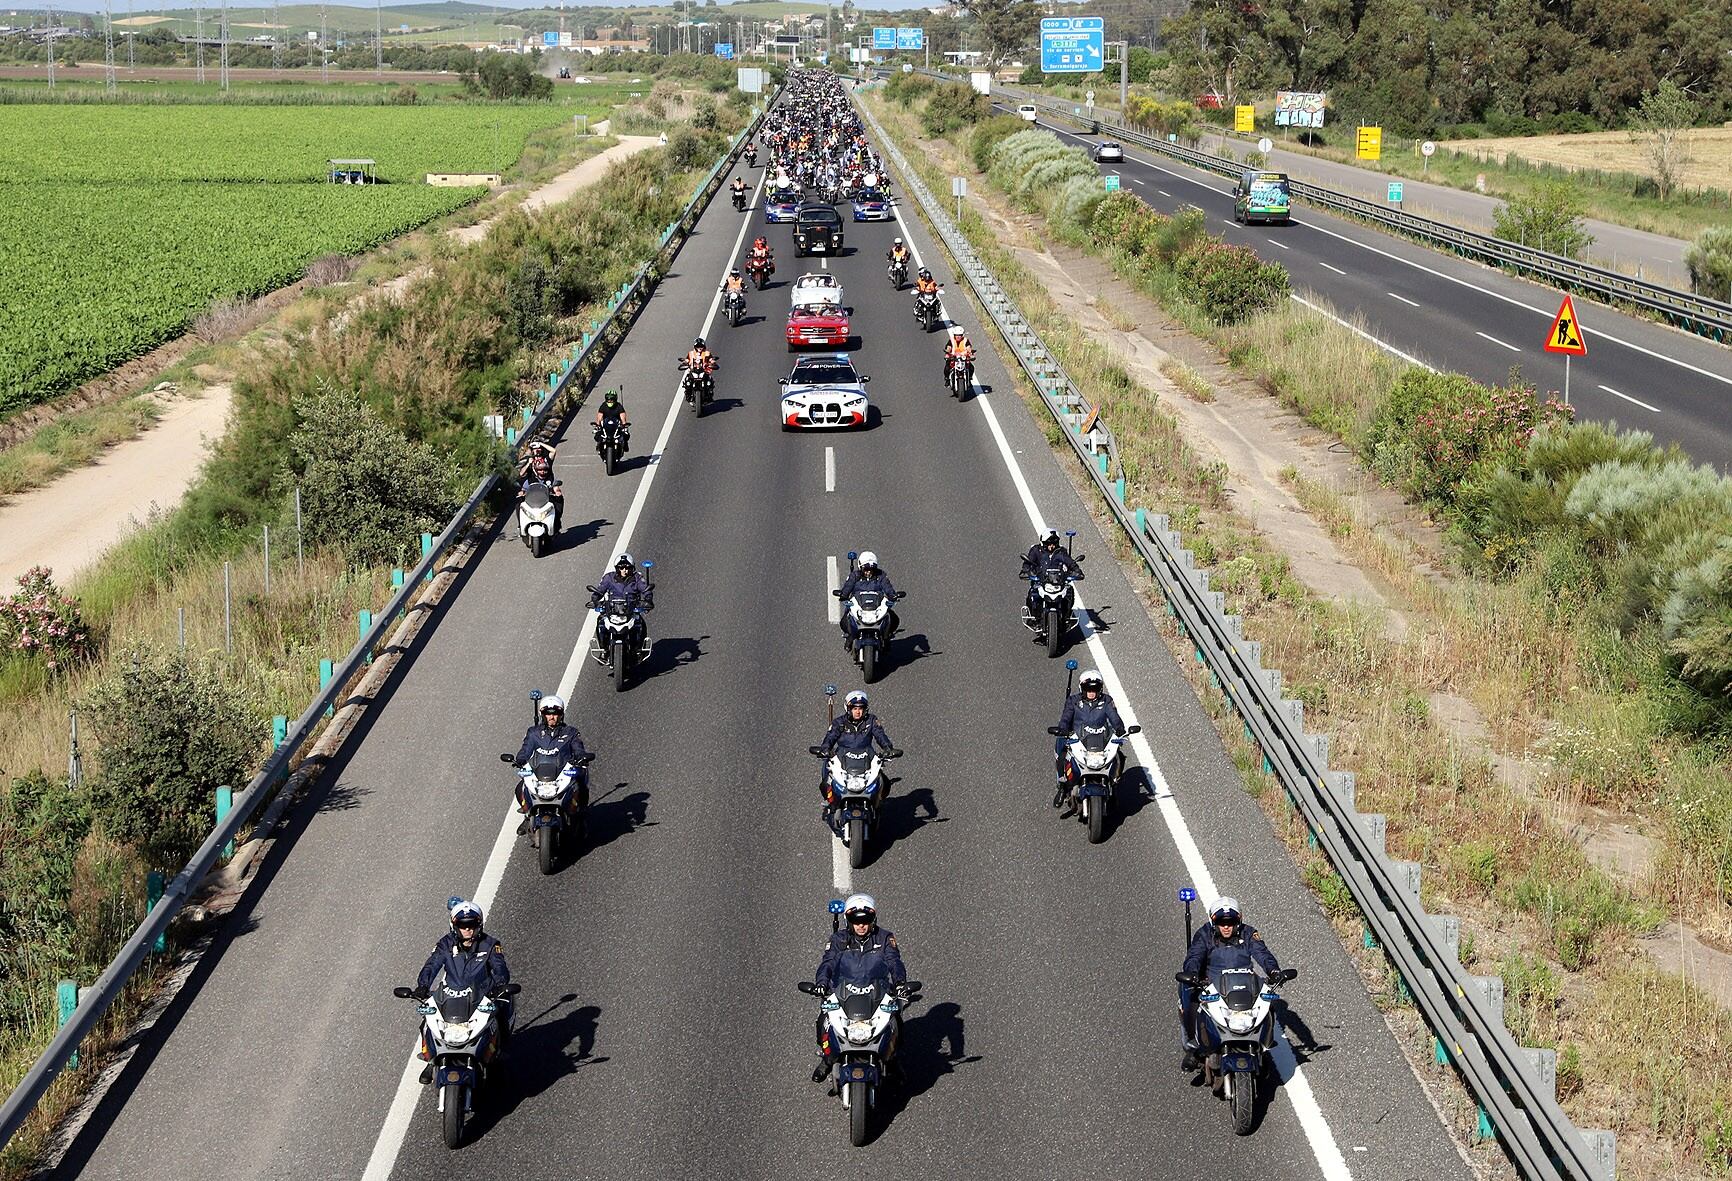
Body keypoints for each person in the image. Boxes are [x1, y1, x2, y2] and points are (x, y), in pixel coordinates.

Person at [810, 893, 909, 1083]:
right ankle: (827, 1057)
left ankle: (892, 1057)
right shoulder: (838, 939)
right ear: (849, 921)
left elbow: (894, 962)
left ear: (873, 919)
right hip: (844, 990)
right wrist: (821, 984)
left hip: (876, 990)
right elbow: (828, 963)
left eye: (866, 920)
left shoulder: (885, 937)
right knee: (824, 1018)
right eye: (856, 921)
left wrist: (900, 984)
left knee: (896, 1017)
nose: (861, 925)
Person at [1178, 898, 1283, 1072]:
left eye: (1231, 922)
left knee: (1269, 1002)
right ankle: (1193, 1048)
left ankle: (1264, 1043)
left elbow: (1263, 954)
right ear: (1214, 923)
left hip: (1245, 987)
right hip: (1213, 986)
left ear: (1238, 921)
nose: (1226, 927)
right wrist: (1193, 973)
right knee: (1190, 997)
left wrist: (1274, 971)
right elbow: (1194, 956)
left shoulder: (1249, 933)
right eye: (1221, 923)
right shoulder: (1204, 934)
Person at [414, 900, 512, 1083]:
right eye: (463, 925)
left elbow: (500, 968)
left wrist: (500, 985)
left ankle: (500, 1049)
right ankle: (430, 1059)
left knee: (500, 1012)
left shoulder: (490, 944)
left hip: (483, 994)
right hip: (452, 994)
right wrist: (422, 986)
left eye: (472, 925)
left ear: (479, 925)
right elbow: (432, 965)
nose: (468, 929)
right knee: (427, 1020)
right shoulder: (445, 944)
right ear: (454, 926)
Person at [1052, 668, 1126, 810]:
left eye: (1095, 688)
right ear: (1082, 688)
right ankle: (1062, 786)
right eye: (1088, 688)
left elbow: (1114, 717)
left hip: (1100, 739)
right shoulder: (1073, 701)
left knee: (1119, 756)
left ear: (1100, 688)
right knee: (1062, 755)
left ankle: (1114, 784)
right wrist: (1063, 729)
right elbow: (1066, 718)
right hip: (1078, 738)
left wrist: (1120, 729)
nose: (1091, 692)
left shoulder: (1106, 701)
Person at [512, 694, 589, 830]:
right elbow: (526, 749)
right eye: (548, 714)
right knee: (520, 788)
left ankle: (579, 815)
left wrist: (581, 757)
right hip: (542, 772)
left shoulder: (570, 732)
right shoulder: (534, 732)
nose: (552, 717)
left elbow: (578, 749)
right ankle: (528, 815)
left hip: (563, 773)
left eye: (556, 713)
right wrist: (519, 760)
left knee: (581, 785)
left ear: (561, 714)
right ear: (543, 715)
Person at [589, 552, 653, 659]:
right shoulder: (608, 578)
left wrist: (648, 600)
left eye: (627, 568)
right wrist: (595, 599)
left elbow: (646, 590)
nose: (625, 570)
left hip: (631, 610)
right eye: (622, 567)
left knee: (640, 624)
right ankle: (604, 649)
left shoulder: (637, 578)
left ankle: (638, 649)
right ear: (617, 568)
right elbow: (599, 591)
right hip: (612, 611)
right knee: (600, 623)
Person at [1020, 527, 1083, 632]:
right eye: (1049, 543)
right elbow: (1027, 563)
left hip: (1057, 581)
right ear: (1043, 542)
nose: (1051, 546)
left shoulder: (1061, 552)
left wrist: (1077, 571)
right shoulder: (1036, 550)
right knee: (1033, 594)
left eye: (1054, 543)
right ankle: (1034, 618)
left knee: (1069, 592)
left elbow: (1070, 562)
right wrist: (1025, 571)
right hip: (1040, 581)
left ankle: (1066, 617)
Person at [835, 550, 898, 652]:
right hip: (859, 604)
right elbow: (848, 586)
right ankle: (850, 638)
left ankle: (886, 639)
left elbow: (887, 587)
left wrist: (893, 595)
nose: (868, 572)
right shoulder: (855, 576)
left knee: (892, 618)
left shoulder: (880, 575)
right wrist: (843, 595)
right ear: (861, 567)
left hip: (876, 605)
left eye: (871, 569)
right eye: (866, 569)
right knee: (846, 618)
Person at [516, 438, 562, 533]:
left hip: (547, 488)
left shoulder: (546, 460)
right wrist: (528, 462)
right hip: (532, 490)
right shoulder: (529, 461)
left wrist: (541, 443)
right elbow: (521, 474)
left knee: (559, 498)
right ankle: (521, 525)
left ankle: (556, 523)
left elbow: (553, 451)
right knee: (519, 503)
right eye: (535, 449)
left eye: (539, 448)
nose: (537, 450)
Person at [593, 388, 629, 454]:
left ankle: (624, 445)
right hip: (606, 425)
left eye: (611, 399)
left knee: (625, 435)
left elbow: (623, 417)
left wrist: (624, 425)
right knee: (597, 435)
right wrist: (597, 425)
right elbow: (599, 416)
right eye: (608, 399)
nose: (610, 401)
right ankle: (599, 445)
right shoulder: (603, 406)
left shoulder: (619, 406)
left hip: (616, 425)